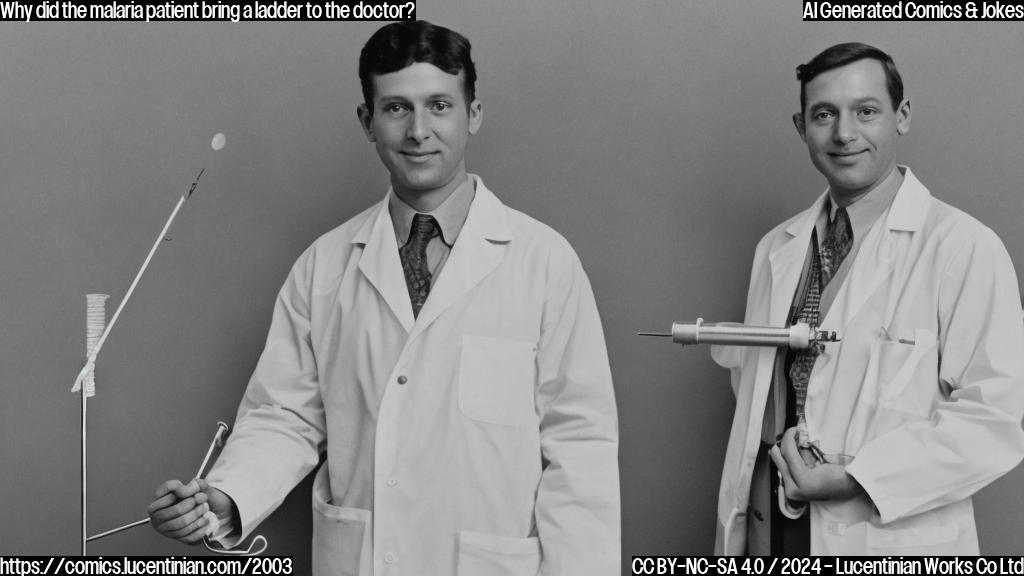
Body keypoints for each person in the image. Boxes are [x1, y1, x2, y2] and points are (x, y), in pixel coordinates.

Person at [147, 20, 620, 575]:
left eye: (439, 105)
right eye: (396, 108)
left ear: (473, 114)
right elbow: (286, 416)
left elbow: (580, 446)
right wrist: (225, 498)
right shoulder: (324, 266)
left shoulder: (545, 263)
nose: (419, 131)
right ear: (367, 122)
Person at [712, 42, 1024, 555]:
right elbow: (758, 393)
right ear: (800, 127)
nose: (844, 133)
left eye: (866, 111)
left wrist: (859, 477)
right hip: (775, 527)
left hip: (887, 538)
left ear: (901, 116)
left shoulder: (962, 247)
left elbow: (994, 421)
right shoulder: (778, 249)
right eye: (824, 114)